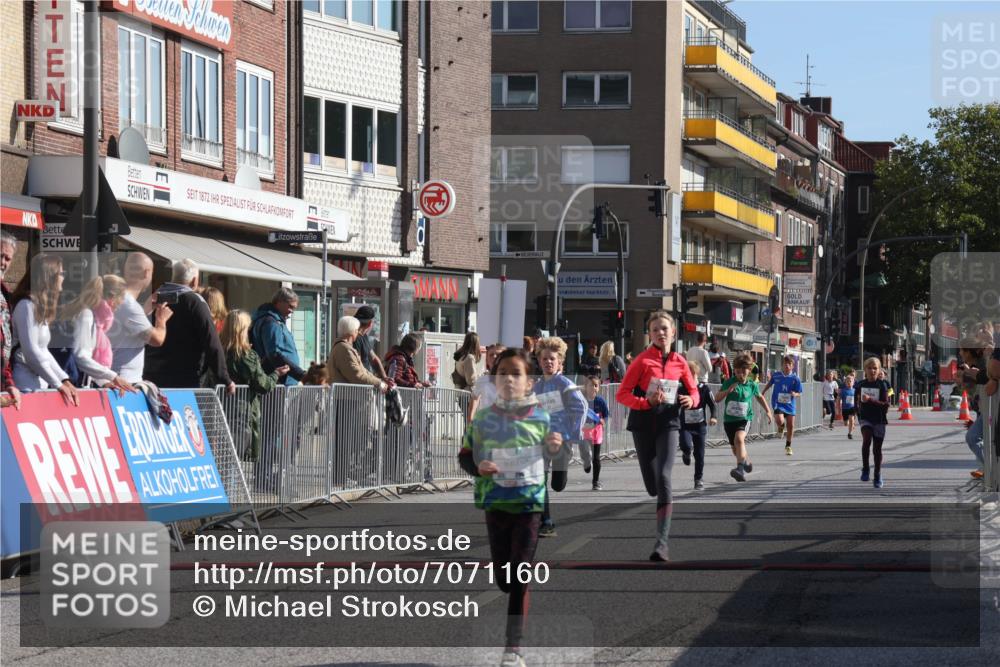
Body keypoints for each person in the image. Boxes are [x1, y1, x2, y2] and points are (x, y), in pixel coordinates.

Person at [457, 348, 566, 667]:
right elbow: (465, 455)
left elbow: (558, 456)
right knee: (505, 579)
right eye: (502, 373)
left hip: (529, 504)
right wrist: (479, 466)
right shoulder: (485, 418)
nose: (508, 379)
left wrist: (556, 448)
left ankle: (513, 649)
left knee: (519, 574)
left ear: (529, 382)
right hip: (496, 503)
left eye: (516, 374)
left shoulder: (541, 417)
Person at [616, 311, 699, 561]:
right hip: (643, 425)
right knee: (653, 486)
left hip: (669, 423)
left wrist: (690, 400)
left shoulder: (680, 362)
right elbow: (622, 394)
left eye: (664, 329)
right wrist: (645, 402)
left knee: (664, 478)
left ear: (673, 332)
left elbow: (694, 392)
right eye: (655, 330)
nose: (660, 333)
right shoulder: (641, 361)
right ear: (650, 335)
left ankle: (662, 544)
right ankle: (657, 498)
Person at [143, 259, 235, 394]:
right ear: (194, 281)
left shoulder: (153, 299)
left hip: (151, 376)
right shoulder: (195, 302)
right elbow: (211, 342)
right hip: (184, 380)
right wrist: (224, 378)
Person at [220, 310, 289, 470]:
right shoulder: (245, 355)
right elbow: (262, 385)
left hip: (219, 406)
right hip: (241, 411)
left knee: (223, 456)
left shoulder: (219, 351)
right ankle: (230, 493)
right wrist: (275, 374)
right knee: (233, 457)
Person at [533, 336, 587, 538]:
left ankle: (560, 478)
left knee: (557, 484)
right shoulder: (536, 387)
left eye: (552, 359)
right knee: (539, 479)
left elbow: (581, 407)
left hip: (562, 439)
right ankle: (546, 522)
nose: (548, 362)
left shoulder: (564, 384)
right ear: (539, 361)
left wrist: (574, 435)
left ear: (560, 362)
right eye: (544, 358)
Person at [327, 315, 390, 487]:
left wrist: (379, 380)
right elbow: (356, 374)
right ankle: (340, 478)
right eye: (356, 330)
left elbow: (362, 371)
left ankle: (342, 476)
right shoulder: (344, 349)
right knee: (344, 441)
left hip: (349, 399)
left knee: (347, 441)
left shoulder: (346, 348)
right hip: (347, 399)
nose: (357, 333)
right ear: (351, 332)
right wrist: (379, 383)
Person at [8, 254, 78, 406]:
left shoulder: (37, 305)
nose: (64, 277)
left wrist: (64, 379)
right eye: (61, 273)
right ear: (49, 276)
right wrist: (58, 384)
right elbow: (31, 351)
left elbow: (43, 350)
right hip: (24, 385)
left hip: (38, 384)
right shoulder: (26, 305)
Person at [56, 276, 134, 393]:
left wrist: (105, 382)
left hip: (76, 386)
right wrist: (113, 377)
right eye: (122, 298)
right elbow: (81, 356)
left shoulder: (93, 319)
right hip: (72, 387)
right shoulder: (86, 315)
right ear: (112, 297)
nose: (121, 303)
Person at [109, 252, 171, 384]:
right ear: (147, 273)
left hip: (117, 375)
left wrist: (146, 309)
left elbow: (128, 328)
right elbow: (156, 339)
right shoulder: (129, 305)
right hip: (124, 380)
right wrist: (161, 320)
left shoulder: (122, 300)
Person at [715, 353, 772, 483]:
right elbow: (717, 399)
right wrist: (728, 390)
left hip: (744, 419)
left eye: (743, 371)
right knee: (736, 450)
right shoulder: (729, 382)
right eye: (737, 371)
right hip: (729, 421)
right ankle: (745, 462)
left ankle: (740, 470)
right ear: (734, 370)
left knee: (739, 439)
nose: (740, 374)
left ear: (749, 370)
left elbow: (759, 397)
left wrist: (768, 411)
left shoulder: (751, 385)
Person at [251, 287, 306, 386]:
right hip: (279, 381)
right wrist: (300, 374)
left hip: (281, 380)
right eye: (290, 306)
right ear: (279, 302)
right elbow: (274, 354)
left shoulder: (274, 321)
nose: (292, 311)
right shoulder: (271, 322)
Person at [956, 334, 993, 479]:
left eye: (962, 350)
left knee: (972, 437)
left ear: (969, 351)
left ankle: (990, 469)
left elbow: (985, 381)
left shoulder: (983, 365)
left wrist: (972, 374)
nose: (960, 353)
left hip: (990, 410)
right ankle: (987, 469)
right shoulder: (975, 366)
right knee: (976, 437)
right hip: (985, 410)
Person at [680, 359, 717, 490]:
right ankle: (686, 453)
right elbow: (673, 405)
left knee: (700, 455)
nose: (689, 378)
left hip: (700, 427)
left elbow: (713, 405)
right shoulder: (682, 389)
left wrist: (713, 417)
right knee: (685, 444)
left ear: (696, 374)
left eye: (691, 374)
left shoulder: (704, 389)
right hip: (686, 426)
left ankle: (698, 479)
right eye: (686, 375)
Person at [856, 357, 891, 488]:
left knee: (877, 449)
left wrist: (870, 400)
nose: (872, 371)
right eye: (869, 368)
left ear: (879, 370)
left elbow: (886, 405)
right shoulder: (860, 385)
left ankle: (877, 475)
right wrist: (858, 417)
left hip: (879, 419)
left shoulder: (882, 385)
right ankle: (865, 469)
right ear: (865, 370)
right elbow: (856, 402)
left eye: (875, 368)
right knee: (866, 440)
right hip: (866, 418)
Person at [762, 355, 804, 455]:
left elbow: (800, 392)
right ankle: (781, 427)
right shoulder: (776, 375)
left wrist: (795, 394)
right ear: (782, 365)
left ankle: (788, 446)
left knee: (791, 426)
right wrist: (763, 391)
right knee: (780, 420)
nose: (786, 365)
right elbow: (770, 383)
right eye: (785, 363)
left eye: (789, 364)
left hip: (790, 405)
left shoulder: (795, 378)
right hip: (778, 403)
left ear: (792, 366)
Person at [1, 231, 22, 408]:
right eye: (0, 256)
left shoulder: (6, 294)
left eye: (7, 259)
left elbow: (6, 343)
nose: (3, 263)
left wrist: (9, 383)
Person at [581, 375, 609, 490]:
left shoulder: (600, 401)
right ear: (586, 387)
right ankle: (586, 461)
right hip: (583, 432)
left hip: (596, 432)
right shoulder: (582, 400)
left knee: (596, 457)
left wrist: (603, 421)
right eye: (591, 385)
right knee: (585, 453)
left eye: (596, 385)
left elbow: (606, 415)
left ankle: (595, 482)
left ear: (599, 388)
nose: (593, 387)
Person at [353, 305, 390, 383]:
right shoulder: (355, 338)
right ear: (370, 324)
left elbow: (374, 358)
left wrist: (384, 377)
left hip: (365, 380)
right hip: (360, 383)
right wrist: (376, 380)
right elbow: (358, 363)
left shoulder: (363, 336)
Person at [469, 343, 505, 419]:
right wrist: (470, 419)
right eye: (491, 355)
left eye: (498, 354)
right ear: (487, 359)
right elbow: (475, 398)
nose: (494, 357)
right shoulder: (483, 380)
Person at [841, 372, 858, 439]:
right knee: (846, 423)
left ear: (853, 383)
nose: (849, 383)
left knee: (851, 419)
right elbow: (839, 399)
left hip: (852, 407)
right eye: (847, 381)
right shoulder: (843, 391)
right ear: (845, 383)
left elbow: (857, 399)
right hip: (845, 408)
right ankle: (850, 424)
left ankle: (850, 433)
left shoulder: (855, 391)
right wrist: (838, 408)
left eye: (850, 381)